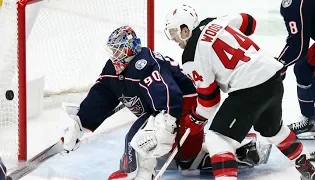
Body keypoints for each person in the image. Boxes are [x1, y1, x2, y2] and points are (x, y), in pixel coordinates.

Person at [60, 25, 273, 180]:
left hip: (185, 106)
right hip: (161, 109)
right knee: (165, 154)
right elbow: (102, 93)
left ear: (131, 48)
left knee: (148, 142)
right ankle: (142, 171)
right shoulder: (114, 67)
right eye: (113, 51)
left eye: (119, 50)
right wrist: (80, 123)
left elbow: (168, 92)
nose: (115, 56)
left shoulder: (144, 63)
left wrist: (166, 122)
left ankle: (237, 149)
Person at [164, 4, 315, 180]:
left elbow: (210, 102)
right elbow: (249, 22)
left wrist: (195, 117)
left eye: (174, 32)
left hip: (249, 88)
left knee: (218, 139)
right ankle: (309, 169)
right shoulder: (216, 21)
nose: (174, 39)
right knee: (274, 130)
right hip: (273, 77)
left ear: (185, 29)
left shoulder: (190, 56)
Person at [276, 0, 315, 159]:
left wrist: (277, 65)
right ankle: (313, 121)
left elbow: (297, 47)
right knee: (304, 68)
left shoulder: (295, 3)